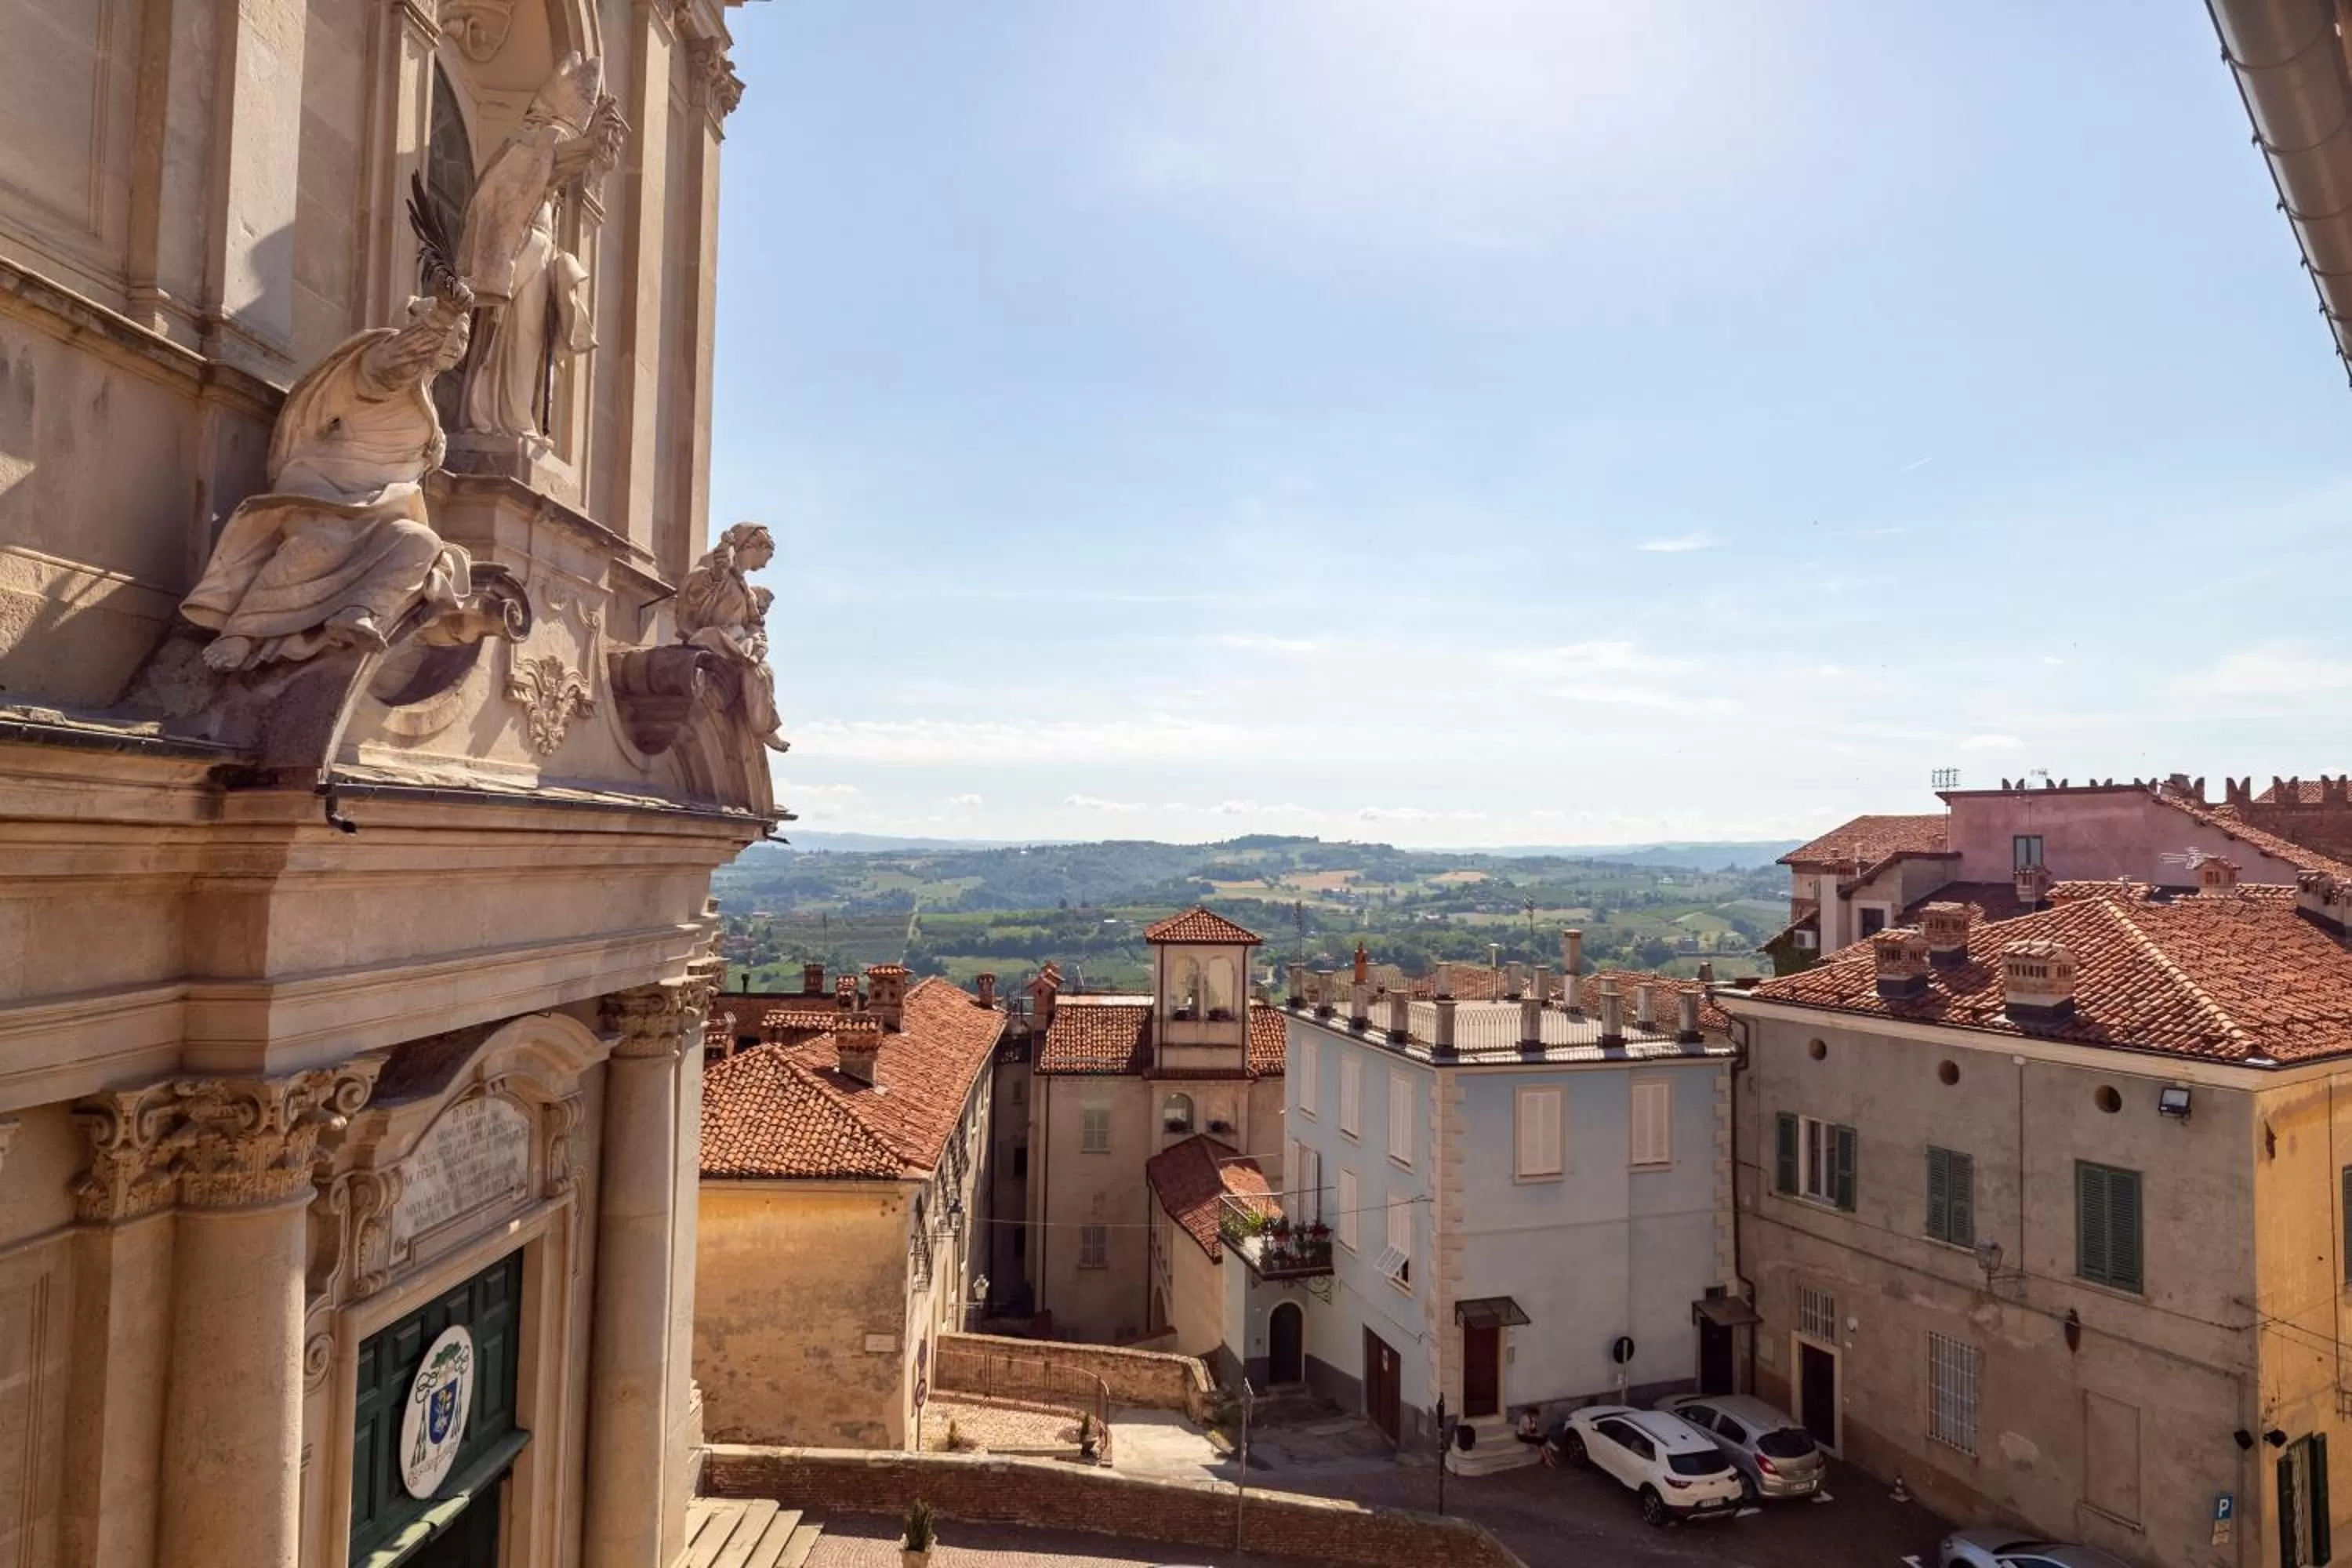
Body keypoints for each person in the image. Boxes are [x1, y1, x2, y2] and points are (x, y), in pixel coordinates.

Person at [182, 278, 477, 671]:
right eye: (454, 333)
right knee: (322, 541)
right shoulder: (377, 360)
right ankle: (242, 630)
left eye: (464, 336)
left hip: (376, 507)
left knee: (421, 543)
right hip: (323, 493)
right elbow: (392, 368)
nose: (459, 342)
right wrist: (441, 318)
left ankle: (359, 611)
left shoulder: (425, 401)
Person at [676, 522, 787, 750]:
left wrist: (758, 644)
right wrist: (715, 575)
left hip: (737, 641)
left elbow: (754, 624)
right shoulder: (720, 562)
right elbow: (694, 588)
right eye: (768, 555)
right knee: (759, 673)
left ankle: (765, 726)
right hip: (714, 638)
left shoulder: (745, 586)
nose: (766, 564)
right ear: (753, 545)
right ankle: (765, 728)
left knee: (763, 671)